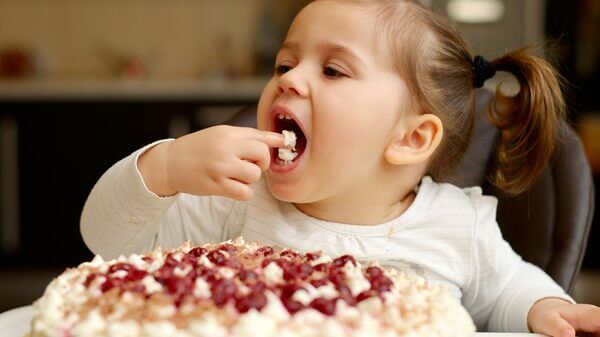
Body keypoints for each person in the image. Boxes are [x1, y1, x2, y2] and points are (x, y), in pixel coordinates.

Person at [80, 0, 600, 335]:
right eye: (285, 64)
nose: (289, 80)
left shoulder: (457, 227)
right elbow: (103, 242)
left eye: (332, 70)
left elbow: (509, 290)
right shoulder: (234, 201)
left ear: (411, 137)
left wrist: (542, 309)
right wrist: (166, 166)